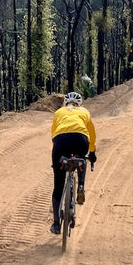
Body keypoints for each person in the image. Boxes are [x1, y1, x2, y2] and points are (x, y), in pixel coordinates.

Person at [49, 90, 97, 234]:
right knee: (82, 160)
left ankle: (56, 224)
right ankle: (81, 186)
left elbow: (53, 134)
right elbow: (92, 134)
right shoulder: (84, 112)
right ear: (79, 104)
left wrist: (57, 157)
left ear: (65, 103)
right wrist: (92, 152)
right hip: (80, 140)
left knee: (58, 184)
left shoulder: (59, 113)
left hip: (61, 142)